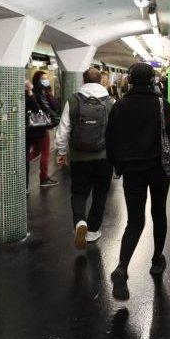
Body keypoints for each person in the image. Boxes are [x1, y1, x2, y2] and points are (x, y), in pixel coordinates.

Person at [106, 62, 170, 299]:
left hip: (132, 172)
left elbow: (110, 141)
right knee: (158, 213)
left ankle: (122, 267)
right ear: (153, 80)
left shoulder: (119, 106)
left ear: (129, 80)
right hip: (158, 169)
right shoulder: (161, 104)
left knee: (135, 220)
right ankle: (156, 260)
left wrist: (119, 166)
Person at [55, 67, 115, 250]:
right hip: (104, 158)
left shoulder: (73, 101)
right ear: (101, 81)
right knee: (100, 194)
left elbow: (63, 130)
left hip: (79, 158)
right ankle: (93, 230)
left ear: (83, 80)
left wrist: (61, 152)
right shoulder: (111, 102)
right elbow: (117, 132)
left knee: (79, 193)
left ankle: (80, 221)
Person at [25, 80, 58, 193]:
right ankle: (43, 178)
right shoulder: (39, 94)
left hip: (29, 129)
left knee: (36, 152)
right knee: (44, 152)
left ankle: (24, 181)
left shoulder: (28, 94)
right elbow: (38, 108)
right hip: (39, 128)